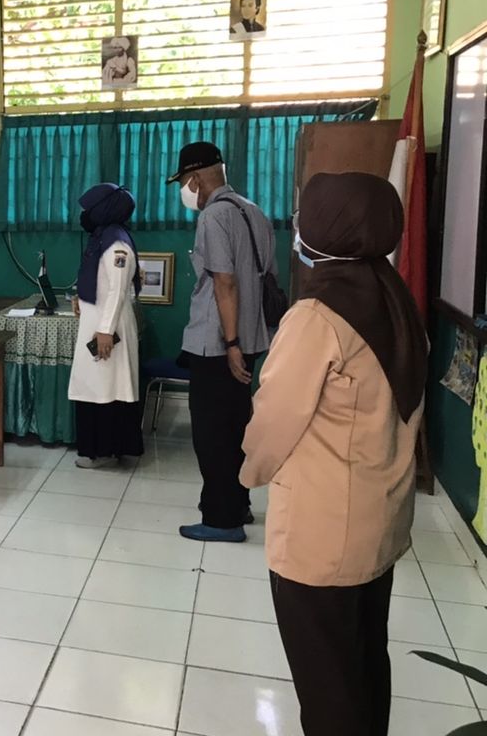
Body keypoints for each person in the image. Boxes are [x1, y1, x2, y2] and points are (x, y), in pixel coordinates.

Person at [241, 173, 427, 735]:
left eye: (306, 216)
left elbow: (274, 418)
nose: (298, 227)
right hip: (379, 522)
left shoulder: (317, 316)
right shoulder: (396, 299)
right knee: (366, 664)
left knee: (327, 688)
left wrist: (247, 472)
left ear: (329, 228)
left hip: (323, 538)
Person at [169, 141, 275, 543]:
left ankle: (221, 519)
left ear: (195, 179)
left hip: (219, 344)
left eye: (183, 181)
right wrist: (242, 341)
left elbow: (224, 282)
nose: (184, 190)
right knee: (236, 427)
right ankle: (238, 503)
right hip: (253, 336)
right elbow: (266, 277)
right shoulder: (255, 211)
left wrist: (229, 343)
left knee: (212, 433)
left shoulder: (213, 217)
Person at [68, 183, 144, 468]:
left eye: (90, 209)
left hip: (107, 327)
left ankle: (103, 453)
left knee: (106, 389)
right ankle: (101, 450)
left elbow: (118, 289)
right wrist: (80, 295)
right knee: (96, 387)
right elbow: (97, 279)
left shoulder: (117, 244)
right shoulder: (102, 238)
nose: (85, 215)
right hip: (97, 320)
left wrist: (105, 330)